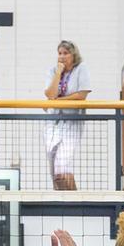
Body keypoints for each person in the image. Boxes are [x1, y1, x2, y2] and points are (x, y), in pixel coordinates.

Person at [43, 39, 91, 192]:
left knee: (62, 164)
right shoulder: (53, 71)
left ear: (73, 55)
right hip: (54, 121)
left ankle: (73, 200)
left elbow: (82, 95)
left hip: (73, 120)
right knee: (52, 166)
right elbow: (50, 94)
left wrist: (58, 101)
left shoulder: (81, 68)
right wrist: (58, 72)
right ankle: (60, 197)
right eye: (59, 53)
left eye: (66, 53)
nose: (62, 56)